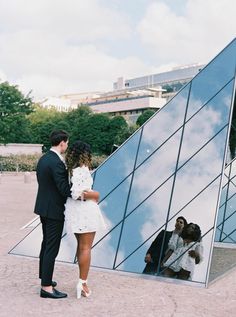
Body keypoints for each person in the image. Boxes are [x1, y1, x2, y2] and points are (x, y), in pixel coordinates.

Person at [64, 140, 106, 299]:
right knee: (86, 248)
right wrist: (95, 195)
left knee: (82, 247)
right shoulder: (81, 169)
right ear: (85, 154)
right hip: (84, 211)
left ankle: (82, 280)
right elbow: (77, 193)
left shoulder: (69, 169)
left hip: (74, 212)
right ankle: (83, 283)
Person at [34, 130, 71, 299]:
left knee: (46, 243)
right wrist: (78, 191)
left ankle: (45, 277)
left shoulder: (44, 158)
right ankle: (46, 287)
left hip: (43, 207)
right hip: (54, 210)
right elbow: (63, 188)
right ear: (62, 142)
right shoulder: (56, 162)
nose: (67, 146)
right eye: (67, 143)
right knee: (51, 247)